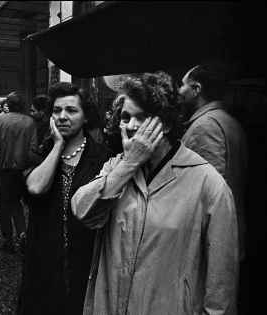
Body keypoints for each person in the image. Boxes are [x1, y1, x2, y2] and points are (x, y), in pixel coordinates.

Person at [71, 72, 237, 314]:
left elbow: (220, 290)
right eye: (125, 117)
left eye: (142, 118)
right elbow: (82, 211)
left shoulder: (208, 184)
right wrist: (128, 165)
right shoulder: (116, 167)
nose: (131, 126)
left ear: (166, 124)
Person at [18, 82, 110, 315]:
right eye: (57, 110)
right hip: (44, 256)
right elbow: (36, 188)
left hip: (85, 258)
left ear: (85, 117)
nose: (62, 116)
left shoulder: (102, 157)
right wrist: (57, 145)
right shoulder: (40, 152)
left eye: (71, 110)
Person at [177, 63, 248, 258]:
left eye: (182, 85)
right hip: (224, 236)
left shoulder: (205, 127)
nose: (179, 91)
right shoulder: (227, 120)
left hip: (211, 241)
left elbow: (210, 194)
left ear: (196, 89)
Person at [0, 92, 38, 253]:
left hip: (4, 171)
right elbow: (33, 150)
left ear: (8, 104)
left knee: (5, 205)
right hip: (23, 171)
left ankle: (8, 239)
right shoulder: (30, 122)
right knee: (17, 203)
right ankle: (22, 233)